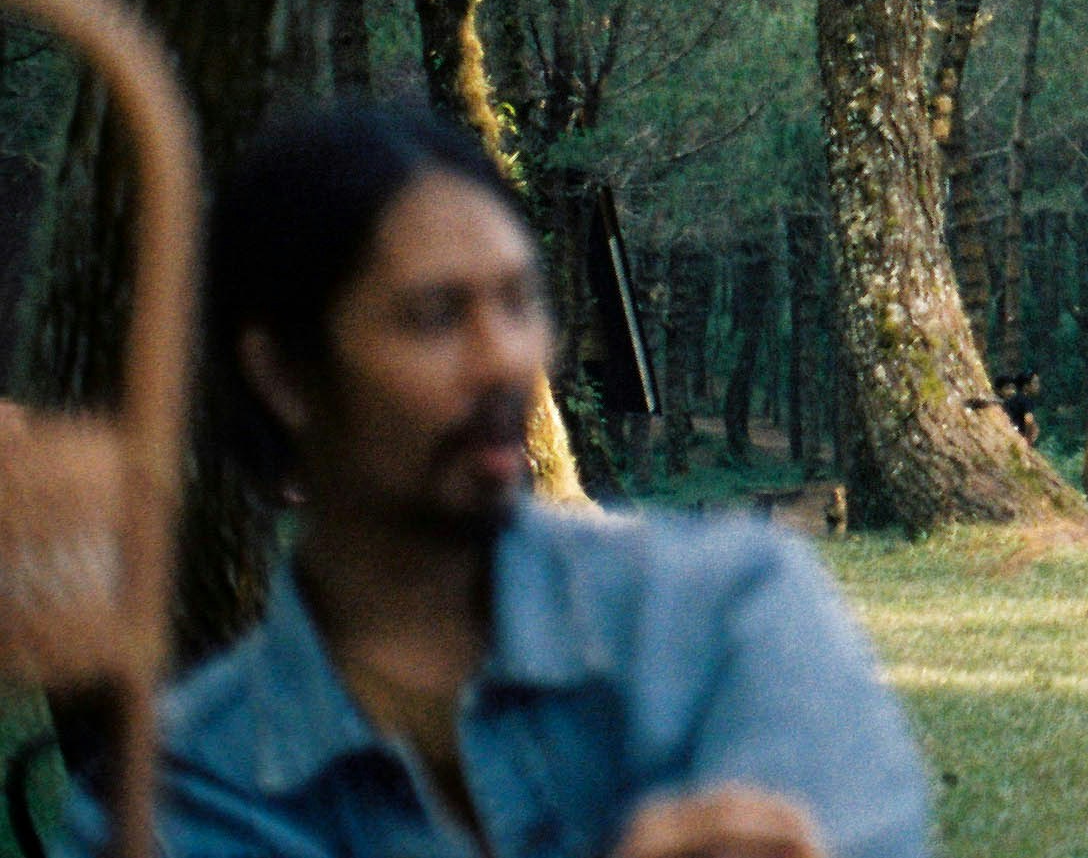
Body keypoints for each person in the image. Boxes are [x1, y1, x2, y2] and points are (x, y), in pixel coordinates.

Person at [73, 102, 935, 858]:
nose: (505, 360)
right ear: (285, 377)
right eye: (436, 315)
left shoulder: (727, 614)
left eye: (520, 301)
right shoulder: (181, 798)